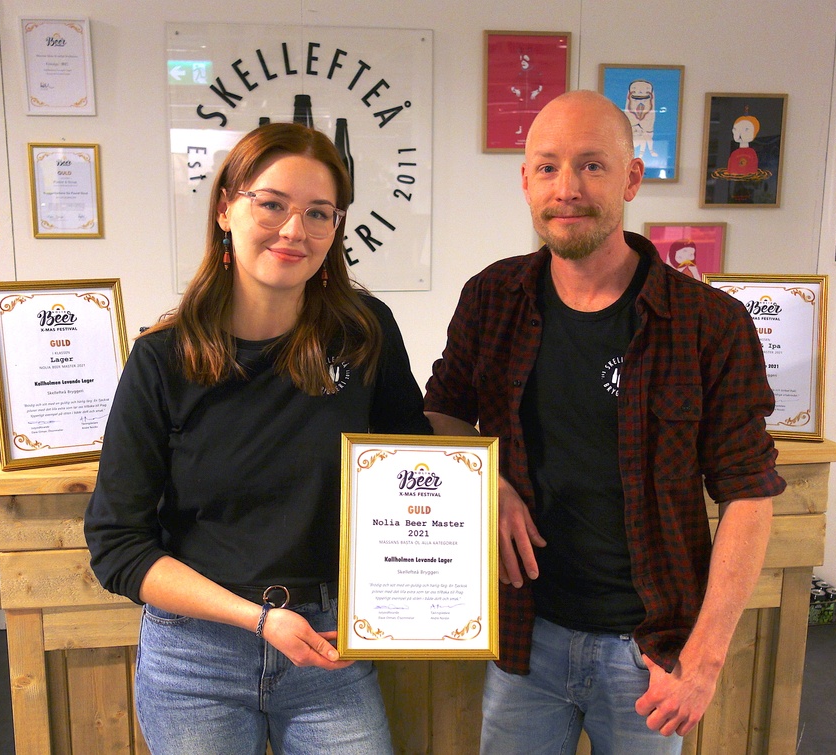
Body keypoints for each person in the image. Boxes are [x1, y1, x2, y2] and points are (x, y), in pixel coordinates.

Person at [423, 90, 785, 754]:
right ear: (526, 180)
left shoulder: (709, 322)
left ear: (632, 178)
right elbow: (440, 411)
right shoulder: (490, 298)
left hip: (650, 654)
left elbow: (750, 491)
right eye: (549, 167)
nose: (569, 188)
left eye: (592, 166)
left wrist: (704, 658)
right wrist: (484, 482)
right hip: (524, 640)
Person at [85, 122, 430, 755]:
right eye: (271, 204)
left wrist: (484, 490)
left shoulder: (366, 333)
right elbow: (117, 548)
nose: (295, 230)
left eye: (318, 213)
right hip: (196, 660)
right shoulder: (163, 360)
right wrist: (259, 620)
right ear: (225, 207)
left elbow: (417, 468)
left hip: (330, 650)